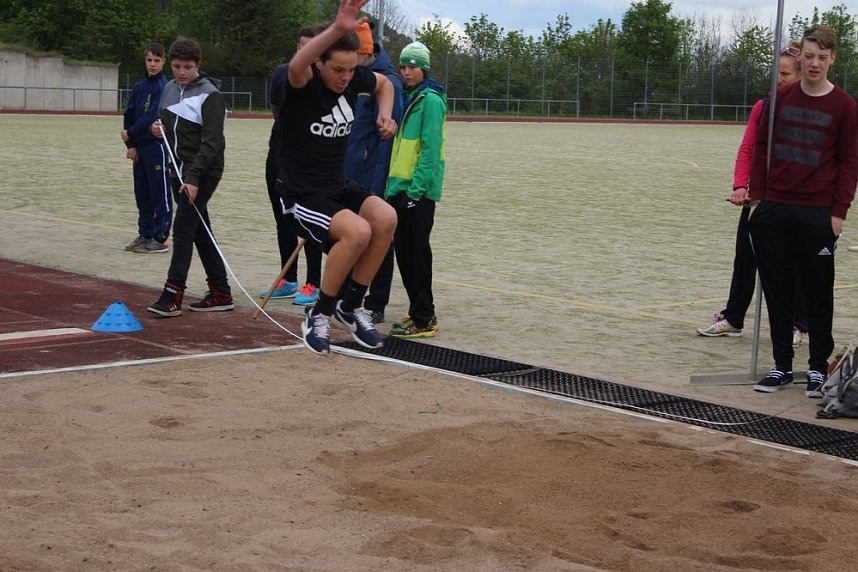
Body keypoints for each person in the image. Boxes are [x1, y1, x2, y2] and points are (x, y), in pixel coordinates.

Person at [275, 0, 397, 354]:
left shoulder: (352, 76)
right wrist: (337, 28)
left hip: (336, 185)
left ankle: (351, 306)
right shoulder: (300, 82)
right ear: (319, 62)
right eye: (338, 70)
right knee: (357, 232)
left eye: (350, 69)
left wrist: (385, 116)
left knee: (386, 218)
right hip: (301, 194)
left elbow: (384, 85)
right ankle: (319, 313)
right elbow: (297, 63)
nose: (346, 78)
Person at [748, 25, 858, 396]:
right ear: (801, 56)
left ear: (833, 60)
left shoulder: (845, 106)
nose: (814, 64)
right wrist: (757, 200)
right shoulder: (779, 100)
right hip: (774, 207)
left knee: (816, 292)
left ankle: (815, 368)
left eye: (822, 58)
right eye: (808, 56)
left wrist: (838, 213)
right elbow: (761, 149)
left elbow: (849, 162)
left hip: (818, 212)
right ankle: (781, 365)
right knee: (776, 289)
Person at [697, 44, 808, 346]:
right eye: (776, 74)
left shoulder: (808, 110)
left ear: (800, 75)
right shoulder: (763, 107)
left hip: (792, 198)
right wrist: (740, 186)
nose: (778, 80)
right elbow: (747, 149)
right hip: (758, 197)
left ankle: (796, 325)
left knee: (794, 263)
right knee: (745, 258)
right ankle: (733, 319)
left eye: (784, 74)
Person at [147, 37, 234, 317]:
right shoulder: (170, 88)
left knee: (183, 229)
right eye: (176, 67)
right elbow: (166, 123)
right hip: (178, 170)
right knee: (200, 231)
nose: (181, 72)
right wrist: (156, 129)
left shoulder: (210, 95)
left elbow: (212, 142)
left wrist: (194, 178)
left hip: (203, 173)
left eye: (187, 67)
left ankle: (173, 294)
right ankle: (221, 293)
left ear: (198, 65)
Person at [342, 20, 403, 325]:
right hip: (346, 170)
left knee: (380, 234)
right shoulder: (348, 76)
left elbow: (386, 139)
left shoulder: (385, 80)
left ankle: (375, 303)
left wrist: (376, 183)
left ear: (364, 54)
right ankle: (340, 294)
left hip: (371, 173)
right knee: (347, 232)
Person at [386, 41, 447, 339]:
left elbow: (430, 150)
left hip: (416, 193)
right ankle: (418, 312)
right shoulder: (407, 97)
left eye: (413, 66)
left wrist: (415, 191)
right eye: (404, 66)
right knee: (407, 255)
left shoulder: (431, 100)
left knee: (416, 255)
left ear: (424, 69)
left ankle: (424, 318)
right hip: (400, 189)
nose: (407, 72)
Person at [260, 25, 325, 307]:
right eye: (301, 46)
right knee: (282, 220)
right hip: (279, 155)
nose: (304, 52)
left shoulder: (324, 81)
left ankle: (314, 283)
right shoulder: (280, 73)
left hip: (309, 162)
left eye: (311, 47)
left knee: (309, 223)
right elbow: (277, 109)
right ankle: (289, 280)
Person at [121, 42, 171, 254]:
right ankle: (145, 234)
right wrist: (130, 144)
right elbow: (129, 115)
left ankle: (160, 238)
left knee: (159, 193)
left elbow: (152, 116)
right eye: (149, 60)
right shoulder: (140, 86)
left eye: (156, 60)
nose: (152, 64)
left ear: (163, 62)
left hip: (156, 147)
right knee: (142, 193)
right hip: (139, 149)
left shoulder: (164, 87)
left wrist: (131, 133)